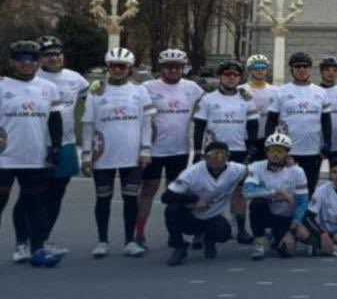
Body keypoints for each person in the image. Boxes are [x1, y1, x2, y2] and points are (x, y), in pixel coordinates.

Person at [81, 47, 155, 258]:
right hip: (103, 154)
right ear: (108, 67)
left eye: (122, 66)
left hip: (132, 154)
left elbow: (147, 123)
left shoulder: (139, 91)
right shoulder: (96, 91)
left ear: (129, 68)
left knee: (130, 198)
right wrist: (86, 156)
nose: (118, 70)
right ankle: (102, 241)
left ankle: (129, 241)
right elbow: (88, 125)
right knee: (103, 198)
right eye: (114, 66)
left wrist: (145, 149)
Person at [1, 40, 63, 267]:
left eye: (32, 59)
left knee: (36, 206)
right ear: (12, 62)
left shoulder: (48, 88)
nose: (27, 64)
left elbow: (55, 121)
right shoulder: (2, 85)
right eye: (22, 59)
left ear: (38, 62)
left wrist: (55, 148)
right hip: (4, 158)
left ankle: (37, 250)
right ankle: (22, 246)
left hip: (35, 157)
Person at [136, 49, 205, 250]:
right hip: (154, 151)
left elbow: (212, 103)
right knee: (147, 192)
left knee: (176, 195)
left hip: (179, 150)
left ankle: (175, 233)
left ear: (184, 68)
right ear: (161, 68)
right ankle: (139, 233)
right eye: (169, 67)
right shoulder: (147, 87)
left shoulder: (192, 88)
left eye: (178, 67)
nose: (173, 70)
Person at [29, 35, 87, 258]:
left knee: (56, 194)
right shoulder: (33, 77)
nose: (54, 58)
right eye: (48, 55)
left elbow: (93, 98)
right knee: (33, 196)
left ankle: (44, 239)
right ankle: (24, 242)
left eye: (57, 53)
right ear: (40, 58)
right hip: (37, 144)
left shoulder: (75, 78)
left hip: (66, 144)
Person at [192, 59, 258, 244]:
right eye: (227, 74)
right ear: (220, 77)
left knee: (239, 192)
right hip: (214, 153)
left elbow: (253, 125)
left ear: (240, 78)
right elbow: (199, 127)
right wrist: (197, 152)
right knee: (207, 191)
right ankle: (200, 232)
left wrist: (252, 148)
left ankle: (241, 230)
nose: (231, 78)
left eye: (235, 75)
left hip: (238, 150)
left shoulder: (246, 99)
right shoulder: (208, 99)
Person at [160, 139, 248, 266]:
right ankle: (179, 246)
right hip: (191, 216)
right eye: (214, 154)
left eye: (223, 155)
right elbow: (166, 196)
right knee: (171, 209)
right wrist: (194, 199)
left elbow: (255, 170)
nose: (218, 159)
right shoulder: (191, 173)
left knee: (224, 233)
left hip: (213, 217)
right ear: (205, 157)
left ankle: (210, 240)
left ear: (228, 157)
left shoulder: (236, 170)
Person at [264, 52, 332, 195]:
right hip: (287, 150)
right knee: (286, 189)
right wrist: (269, 144)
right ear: (291, 69)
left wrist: (328, 142)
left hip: (312, 151)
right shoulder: (281, 92)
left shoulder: (321, 92)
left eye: (305, 66)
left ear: (310, 69)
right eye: (298, 66)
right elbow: (271, 120)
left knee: (309, 188)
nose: (302, 69)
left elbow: (326, 121)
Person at [242, 131, 310, 259]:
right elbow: (247, 192)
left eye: (280, 150)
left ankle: (275, 235)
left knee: (286, 252)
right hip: (267, 213)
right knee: (257, 203)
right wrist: (275, 192)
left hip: (286, 217)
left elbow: (303, 202)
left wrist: (293, 227)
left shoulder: (297, 171)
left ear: (287, 153)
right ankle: (259, 243)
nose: (275, 154)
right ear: (266, 152)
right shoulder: (256, 167)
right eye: (272, 150)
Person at [243, 53, 277, 156]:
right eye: (256, 67)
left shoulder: (275, 90)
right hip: (246, 138)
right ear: (249, 70)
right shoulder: (241, 90)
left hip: (267, 138)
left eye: (263, 67)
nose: (260, 70)